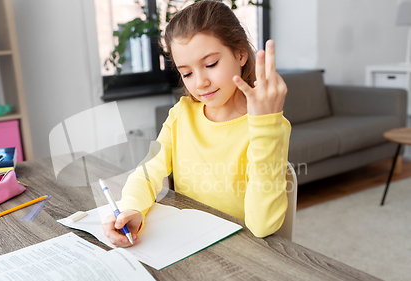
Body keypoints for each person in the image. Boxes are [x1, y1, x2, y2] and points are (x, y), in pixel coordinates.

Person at [103, 0, 291, 247]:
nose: (200, 82)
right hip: (187, 241)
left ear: (240, 54)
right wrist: (132, 209)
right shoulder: (182, 115)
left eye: (211, 64)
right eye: (187, 73)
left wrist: (265, 125)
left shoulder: (267, 126)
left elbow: (262, 225)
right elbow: (147, 173)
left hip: (241, 249)